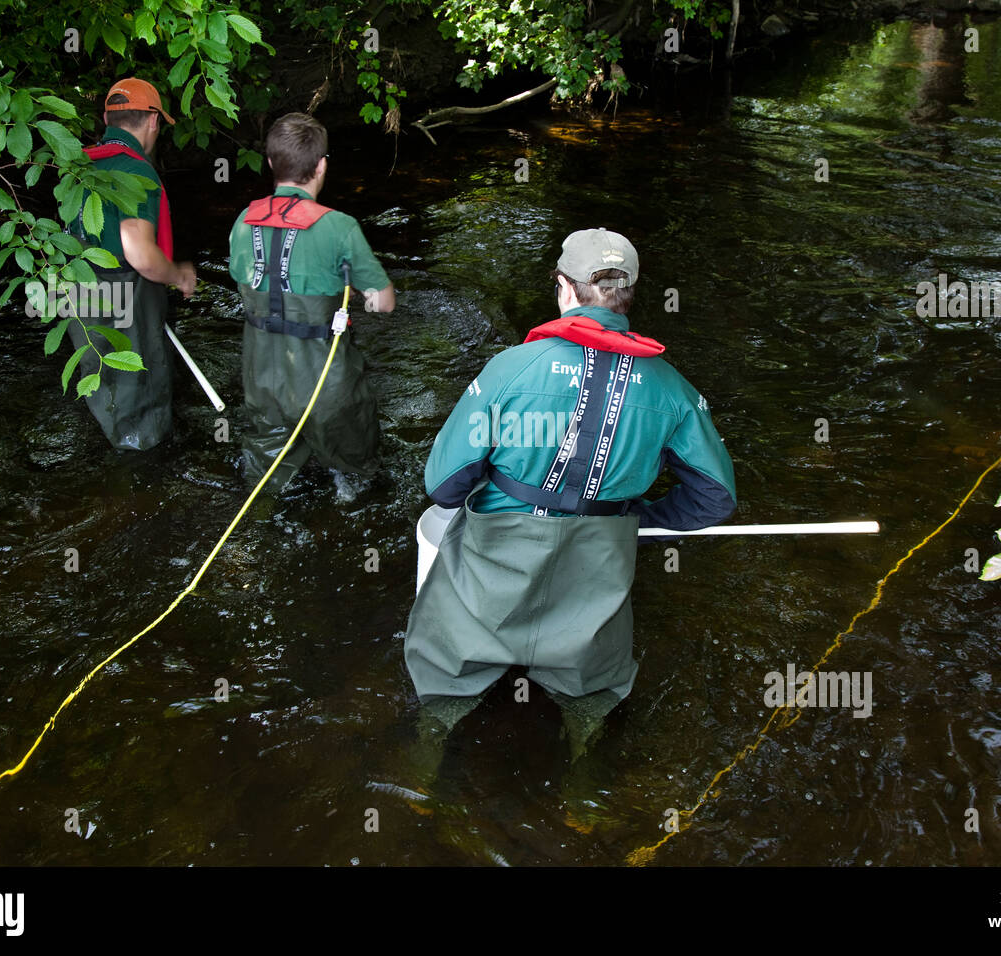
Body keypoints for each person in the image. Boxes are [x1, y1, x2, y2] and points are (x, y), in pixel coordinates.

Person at [404, 228, 737, 758]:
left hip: (493, 575)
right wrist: (638, 520)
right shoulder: (673, 389)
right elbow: (713, 499)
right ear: (627, 295)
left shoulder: (511, 370)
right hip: (596, 572)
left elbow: (444, 486)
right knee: (594, 694)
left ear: (564, 288)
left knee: (443, 678)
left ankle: (426, 757)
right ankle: (585, 783)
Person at [227, 112, 395, 495]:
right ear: (321, 166)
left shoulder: (242, 221)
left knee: (263, 485)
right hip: (326, 388)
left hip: (262, 381)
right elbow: (384, 303)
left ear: (270, 163)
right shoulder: (339, 227)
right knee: (357, 476)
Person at [66, 77, 197, 451]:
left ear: (107, 117)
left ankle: (115, 456)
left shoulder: (78, 166)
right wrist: (179, 276)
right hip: (125, 293)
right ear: (153, 120)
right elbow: (139, 253)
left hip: (79, 291)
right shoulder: (136, 172)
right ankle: (143, 470)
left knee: (104, 380)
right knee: (140, 395)